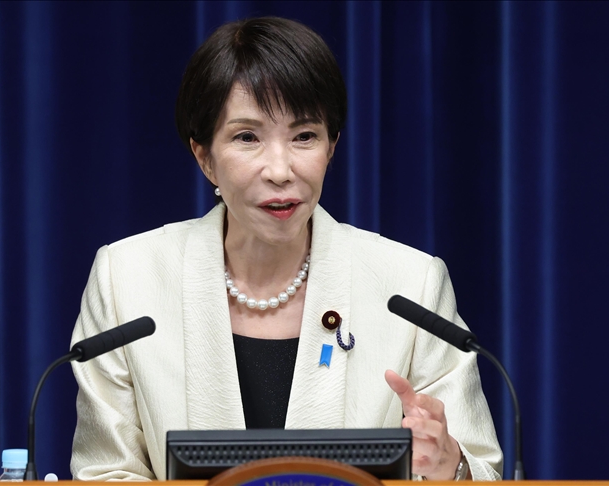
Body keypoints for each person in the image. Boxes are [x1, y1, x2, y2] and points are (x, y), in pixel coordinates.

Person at [70, 16, 502, 481]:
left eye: (304, 137)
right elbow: (106, 473)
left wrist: (452, 466)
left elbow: (483, 470)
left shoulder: (410, 284)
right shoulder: (127, 279)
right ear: (204, 156)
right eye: (247, 137)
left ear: (331, 147)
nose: (280, 171)